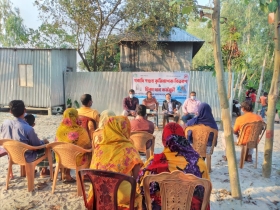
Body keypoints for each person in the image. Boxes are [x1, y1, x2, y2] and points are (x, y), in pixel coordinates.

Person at [137, 123, 210, 210]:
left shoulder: (153, 162)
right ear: (183, 138)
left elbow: (141, 188)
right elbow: (206, 193)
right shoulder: (199, 162)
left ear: (164, 139)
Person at [87, 116, 143, 209]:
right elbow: (138, 177)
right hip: (120, 198)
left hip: (98, 196)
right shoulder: (129, 149)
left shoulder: (98, 148)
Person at [0, 100, 50, 177]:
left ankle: (27, 171)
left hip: (11, 155)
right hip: (27, 157)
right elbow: (36, 145)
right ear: (25, 110)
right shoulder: (28, 128)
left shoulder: (5, 123)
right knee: (47, 146)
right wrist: (44, 142)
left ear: (10, 112)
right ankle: (44, 170)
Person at [55, 108, 92, 183]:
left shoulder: (60, 130)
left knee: (68, 149)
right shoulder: (81, 131)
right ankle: (85, 175)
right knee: (91, 151)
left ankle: (66, 174)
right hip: (76, 160)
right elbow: (88, 146)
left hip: (61, 159)